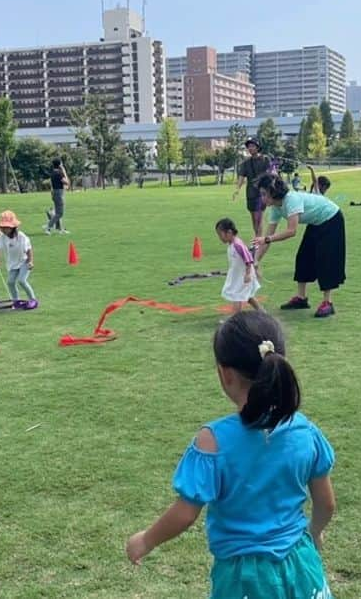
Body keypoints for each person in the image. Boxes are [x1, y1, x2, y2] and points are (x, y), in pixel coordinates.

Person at [125, 311, 336, 598]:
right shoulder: (305, 431)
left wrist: (146, 540)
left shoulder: (212, 441)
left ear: (225, 374)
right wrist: (315, 530)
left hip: (244, 577)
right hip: (302, 564)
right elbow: (326, 504)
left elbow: (186, 514)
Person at [252, 174, 346, 318]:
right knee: (303, 258)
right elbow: (266, 239)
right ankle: (301, 299)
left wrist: (267, 238)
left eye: (264, 194)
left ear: (274, 192)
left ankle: (328, 303)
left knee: (326, 261)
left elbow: (291, 231)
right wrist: (256, 260)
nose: (262, 198)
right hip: (316, 222)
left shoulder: (291, 200)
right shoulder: (276, 208)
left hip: (331, 218)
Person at [0, 210, 37, 310]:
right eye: (2, 227)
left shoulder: (22, 237)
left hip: (24, 262)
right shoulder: (2, 237)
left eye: (6, 228)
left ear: (12, 227)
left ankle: (33, 299)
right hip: (12, 264)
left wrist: (30, 261)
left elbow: (29, 249)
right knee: (10, 282)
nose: (3, 230)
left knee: (22, 280)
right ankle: (16, 301)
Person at [215, 218, 261, 314]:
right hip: (239, 275)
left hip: (244, 275)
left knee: (237, 296)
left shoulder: (237, 245)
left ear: (229, 232)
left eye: (220, 234)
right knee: (247, 296)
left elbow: (248, 260)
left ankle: (235, 318)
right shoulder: (231, 244)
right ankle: (262, 312)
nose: (220, 238)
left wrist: (248, 274)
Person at [232, 137, 273, 238]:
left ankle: (258, 241)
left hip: (262, 194)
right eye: (248, 146)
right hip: (250, 194)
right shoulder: (246, 163)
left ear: (258, 147)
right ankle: (258, 238)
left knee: (258, 217)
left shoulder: (265, 159)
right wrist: (237, 190)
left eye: (252, 146)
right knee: (254, 219)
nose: (250, 148)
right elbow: (241, 177)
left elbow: (272, 172)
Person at [45, 158, 70, 235]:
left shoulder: (52, 173)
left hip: (55, 192)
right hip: (59, 193)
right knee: (60, 213)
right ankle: (48, 227)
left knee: (57, 212)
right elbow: (67, 182)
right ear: (59, 165)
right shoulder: (59, 173)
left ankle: (60, 229)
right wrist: (64, 172)